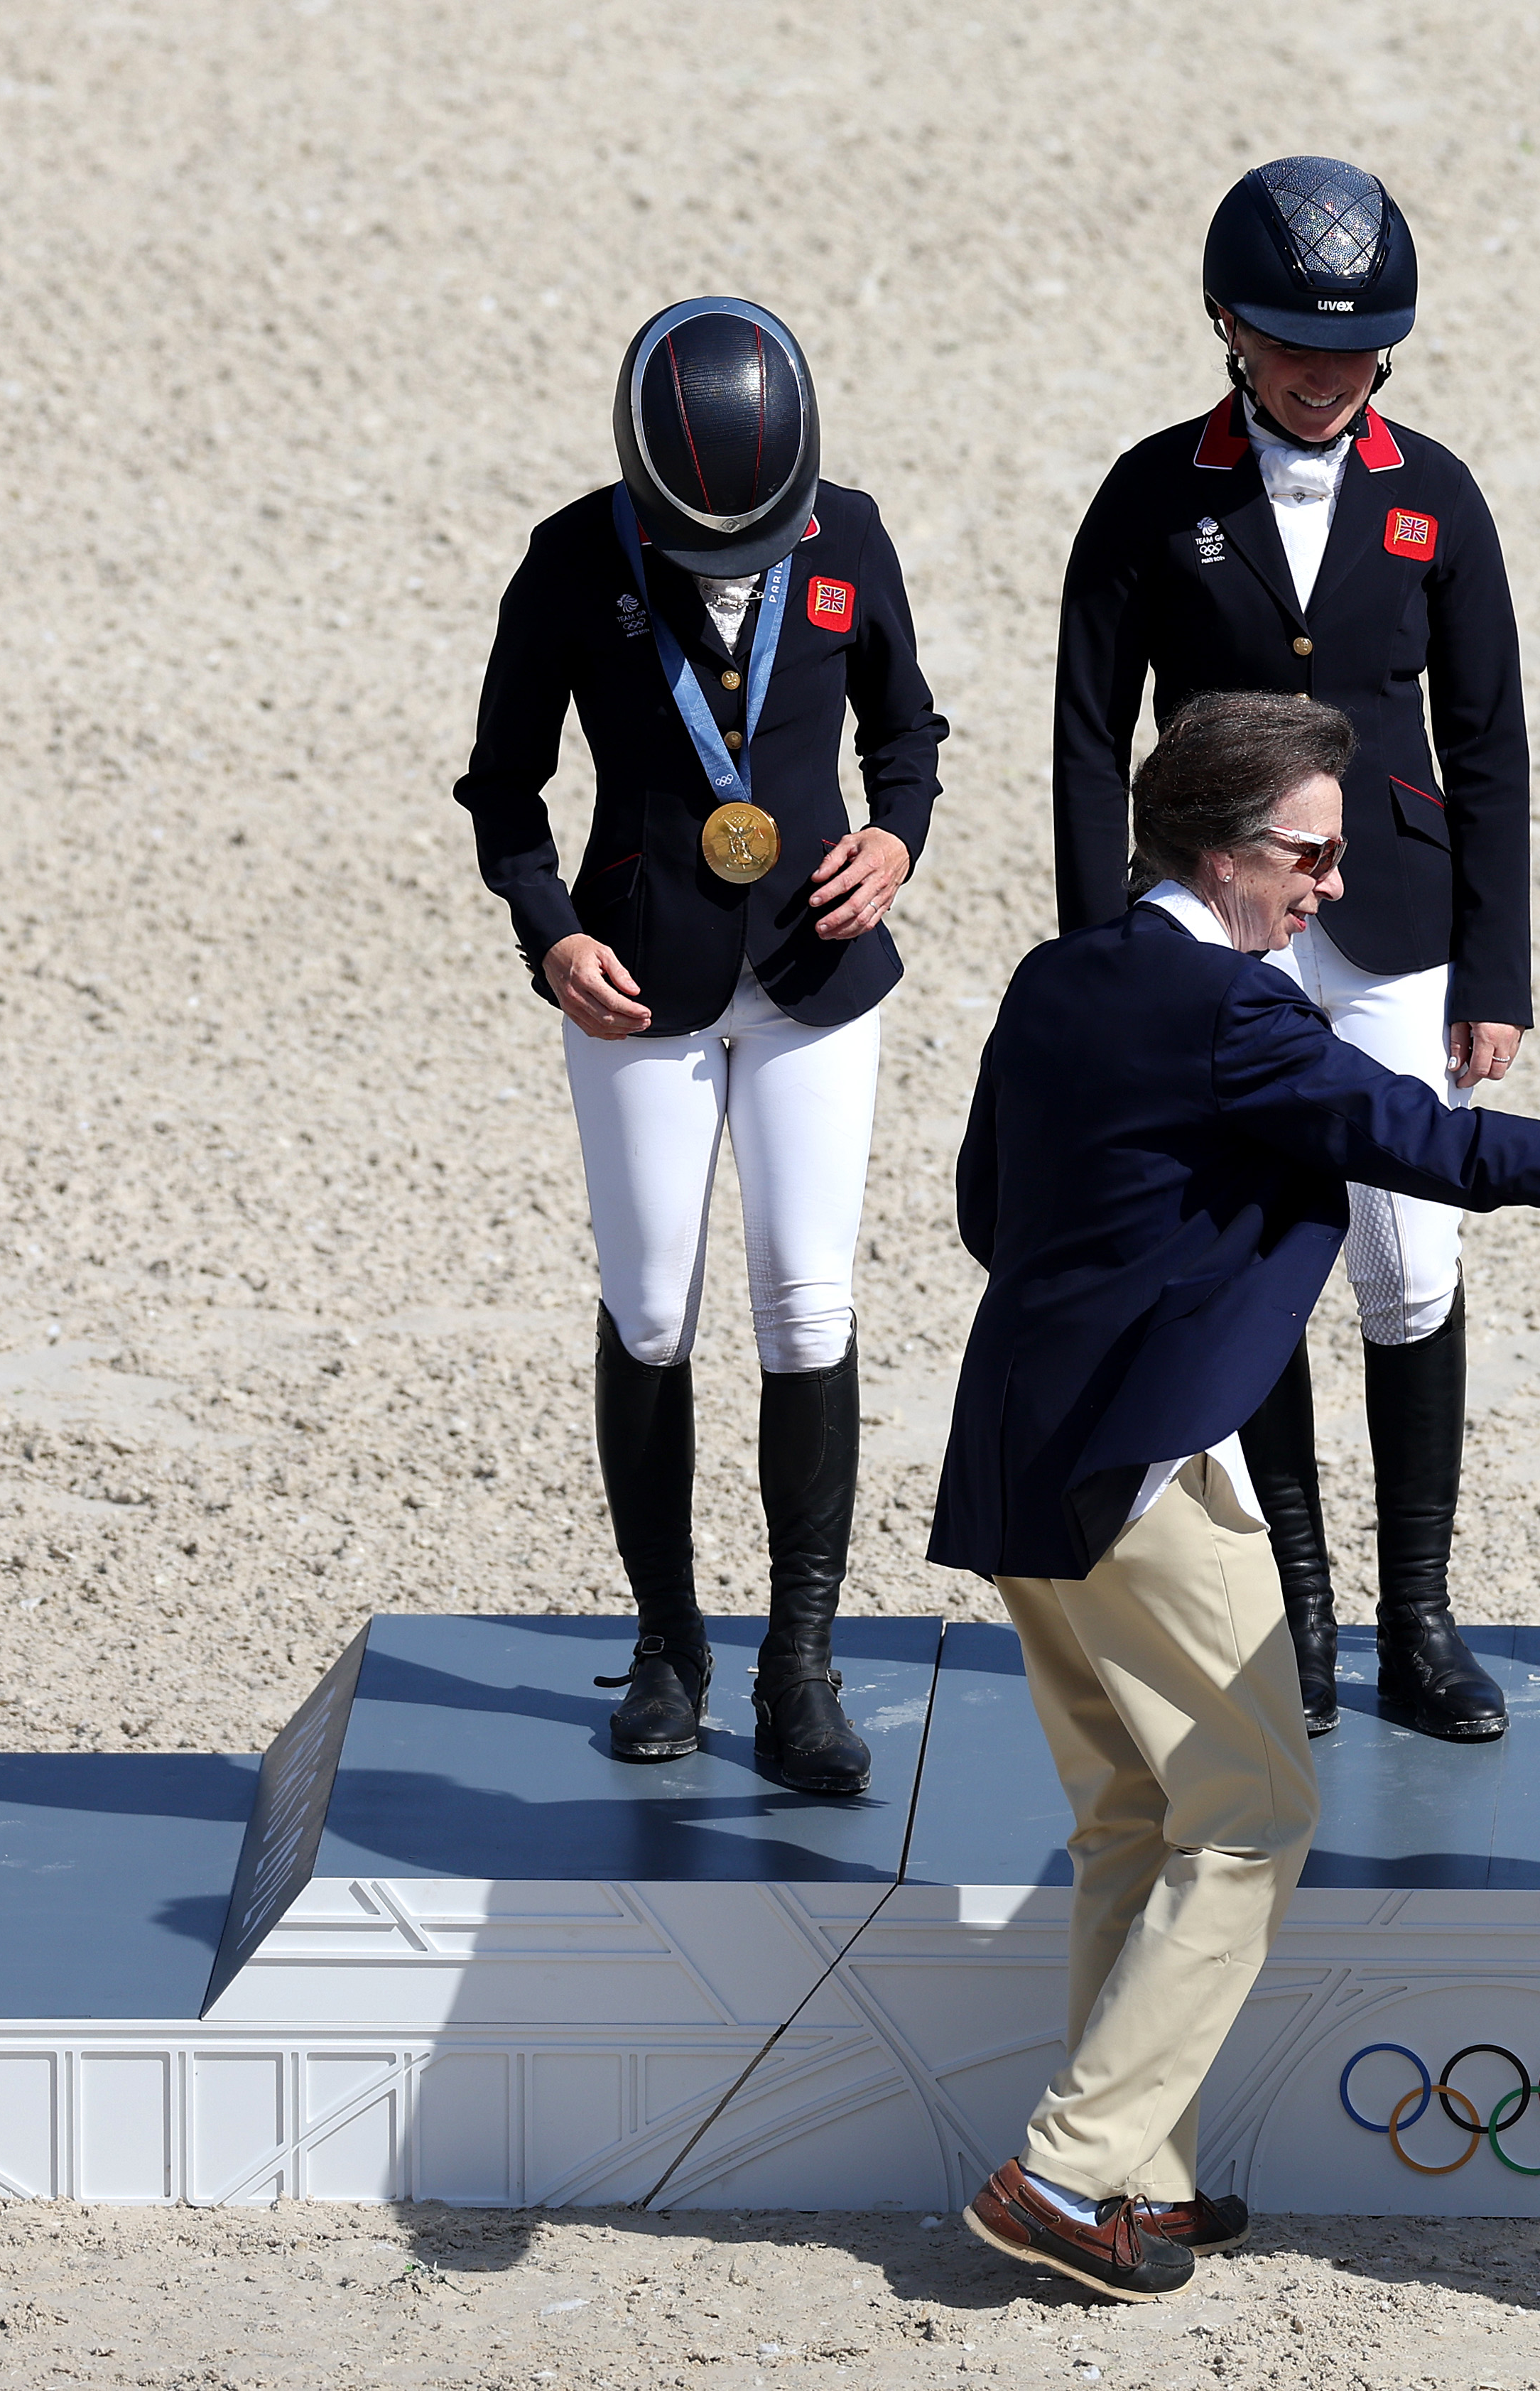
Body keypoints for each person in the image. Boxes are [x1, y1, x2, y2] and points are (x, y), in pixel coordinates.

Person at [933, 691, 1540, 2303]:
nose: (1335, 889)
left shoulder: (1055, 976)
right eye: (1313, 859)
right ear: (1228, 848)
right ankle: (1060, 2171)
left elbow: (988, 1209)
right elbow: (1436, 1148)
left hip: (1009, 1454)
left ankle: (1137, 2176)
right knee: (1256, 1816)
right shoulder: (1235, 1018)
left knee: (1135, 1819)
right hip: (1143, 1474)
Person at [1053, 155, 1534, 1745]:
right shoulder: (1151, 495)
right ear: (1226, 331)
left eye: (1353, 351)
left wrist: (1495, 974)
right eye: (1290, 348)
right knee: (1256, 1260)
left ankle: (1420, 1610)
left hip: (1388, 920)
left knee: (1409, 1260)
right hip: (1221, 928)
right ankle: (1303, 1606)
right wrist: (1105, 952)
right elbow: (1081, 734)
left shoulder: (1433, 495)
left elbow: (1488, 742)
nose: (1325, 378)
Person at [454, 296, 946, 1795]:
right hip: (638, 980)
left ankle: (799, 1663)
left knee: (806, 1303)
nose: (734, 575)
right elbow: (503, 788)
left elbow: (907, 736)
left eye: (757, 549)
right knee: (652, 1308)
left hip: (815, 974)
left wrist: (896, 842)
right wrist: (547, 929)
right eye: (703, 555)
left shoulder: (849, 536)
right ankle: (670, 1638)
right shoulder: (566, 558)